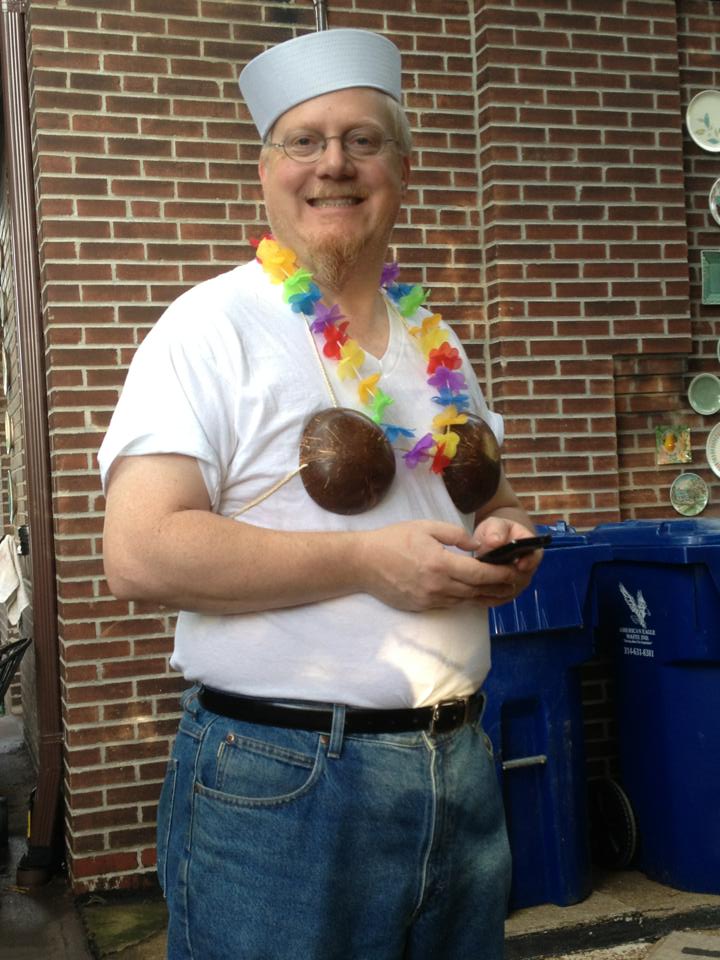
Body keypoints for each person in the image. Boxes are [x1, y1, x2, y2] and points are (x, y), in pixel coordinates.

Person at [99, 27, 544, 960]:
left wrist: (504, 534)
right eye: (304, 140)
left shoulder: (437, 343)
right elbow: (139, 553)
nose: (333, 164)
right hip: (284, 784)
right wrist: (363, 562)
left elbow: (481, 501)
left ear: (402, 171)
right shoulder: (209, 326)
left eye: (362, 140)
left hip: (460, 767)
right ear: (267, 171)